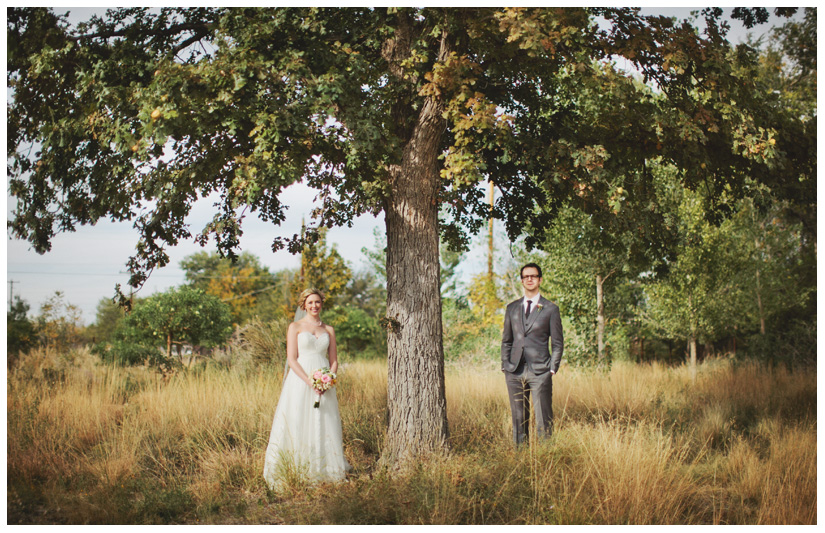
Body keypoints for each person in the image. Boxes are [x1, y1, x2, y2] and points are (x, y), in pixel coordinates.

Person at [263, 288, 350, 489]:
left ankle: (326, 468)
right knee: (299, 418)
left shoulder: (329, 330)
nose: (314, 306)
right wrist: (310, 382)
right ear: (304, 305)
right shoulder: (295, 327)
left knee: (324, 420)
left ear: (321, 304)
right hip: (301, 380)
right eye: (310, 302)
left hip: (324, 381)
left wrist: (328, 379)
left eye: (317, 302)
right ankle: (298, 467)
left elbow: (334, 360)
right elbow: (292, 359)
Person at [501, 263, 563, 445]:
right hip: (514, 370)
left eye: (533, 276)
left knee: (544, 418)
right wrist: (505, 364)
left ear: (540, 280)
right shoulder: (511, 308)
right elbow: (506, 340)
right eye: (526, 276)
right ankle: (521, 459)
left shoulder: (551, 309)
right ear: (521, 281)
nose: (529, 279)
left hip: (540, 371)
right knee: (519, 419)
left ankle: (545, 458)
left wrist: (552, 368)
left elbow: (558, 343)